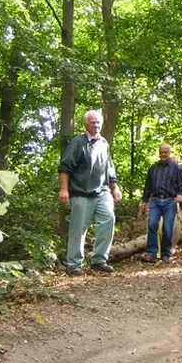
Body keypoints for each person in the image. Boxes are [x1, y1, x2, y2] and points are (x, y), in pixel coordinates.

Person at [58, 110, 122, 276]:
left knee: (108, 219)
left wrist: (115, 187)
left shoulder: (103, 143)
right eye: (93, 122)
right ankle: (74, 264)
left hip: (102, 192)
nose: (96, 125)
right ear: (86, 124)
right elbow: (65, 168)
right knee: (78, 229)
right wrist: (64, 189)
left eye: (98, 122)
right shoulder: (77, 142)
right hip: (81, 193)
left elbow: (109, 168)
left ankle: (99, 259)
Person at [138, 143, 182, 263]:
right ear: (159, 153)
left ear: (169, 153)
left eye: (166, 152)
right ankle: (151, 253)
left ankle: (166, 253)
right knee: (152, 224)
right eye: (162, 152)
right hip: (155, 200)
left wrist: (181, 194)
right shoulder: (153, 169)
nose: (164, 154)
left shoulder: (176, 168)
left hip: (169, 201)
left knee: (167, 227)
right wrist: (144, 202)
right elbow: (147, 188)